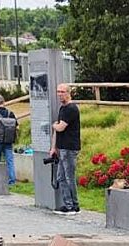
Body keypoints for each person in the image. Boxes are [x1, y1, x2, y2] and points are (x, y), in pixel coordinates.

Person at [50, 83, 80, 214]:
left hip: (69, 147)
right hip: (61, 147)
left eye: (62, 91)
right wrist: (53, 147)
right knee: (60, 177)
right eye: (58, 92)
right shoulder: (62, 109)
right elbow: (57, 131)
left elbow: (60, 127)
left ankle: (74, 205)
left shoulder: (71, 109)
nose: (60, 94)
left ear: (68, 93)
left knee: (69, 176)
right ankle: (67, 204)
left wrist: (53, 125)